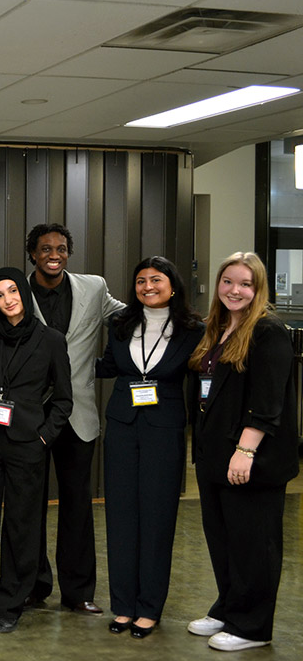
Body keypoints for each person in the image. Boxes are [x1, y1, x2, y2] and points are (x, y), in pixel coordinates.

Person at [186, 252, 298, 652]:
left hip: (251, 458)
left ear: (259, 288)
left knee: (255, 542)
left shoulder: (268, 331)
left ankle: (252, 627)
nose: (235, 290)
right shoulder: (215, 328)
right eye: (228, 281)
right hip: (214, 454)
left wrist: (245, 451)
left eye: (246, 284)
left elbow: (269, 402)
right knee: (223, 538)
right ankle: (228, 606)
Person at [96, 257, 202, 639]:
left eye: (156, 280)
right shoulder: (120, 325)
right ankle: (123, 607)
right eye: (140, 281)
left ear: (173, 286)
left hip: (164, 431)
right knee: (121, 519)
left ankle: (149, 609)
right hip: (122, 427)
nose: (147, 287)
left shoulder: (193, 329)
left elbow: (201, 380)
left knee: (157, 519)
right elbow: (109, 366)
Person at [0, 268, 72, 633]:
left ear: (24, 293)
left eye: (12, 291)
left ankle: (10, 601)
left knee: (21, 525)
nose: (7, 299)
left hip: (27, 444)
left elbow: (63, 400)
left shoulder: (51, 340)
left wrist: (43, 437)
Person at [25, 223, 124, 614]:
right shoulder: (15, 289)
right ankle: (33, 585)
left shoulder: (94, 287)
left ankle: (78, 591)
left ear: (69, 253)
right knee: (28, 504)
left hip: (78, 414)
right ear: (32, 253)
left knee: (78, 506)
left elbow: (128, 315)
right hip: (31, 415)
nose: (55, 254)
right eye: (46, 248)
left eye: (62, 248)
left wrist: (175, 309)